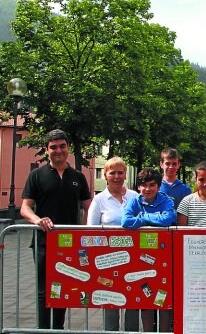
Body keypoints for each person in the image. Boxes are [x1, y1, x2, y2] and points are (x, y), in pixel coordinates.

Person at [20, 129, 91, 329]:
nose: (58, 151)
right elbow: (25, 208)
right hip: (44, 242)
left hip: (69, 243)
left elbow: (89, 208)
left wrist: (89, 231)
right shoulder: (36, 175)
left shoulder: (78, 176)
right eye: (53, 147)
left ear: (68, 148)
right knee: (44, 289)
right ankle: (44, 330)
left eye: (62, 146)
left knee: (65, 286)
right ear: (46, 150)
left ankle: (57, 329)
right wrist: (37, 220)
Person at [87, 157, 140, 331]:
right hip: (107, 259)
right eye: (112, 173)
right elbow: (91, 230)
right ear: (105, 175)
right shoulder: (99, 200)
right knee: (110, 300)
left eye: (120, 172)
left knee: (132, 300)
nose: (116, 176)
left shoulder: (135, 197)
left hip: (133, 257)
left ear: (125, 174)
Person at [121, 168, 176, 332]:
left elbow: (168, 219)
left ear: (158, 186)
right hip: (141, 258)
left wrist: (143, 218)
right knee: (146, 296)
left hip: (165, 256)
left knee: (164, 297)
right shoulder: (134, 201)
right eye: (144, 185)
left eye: (152, 185)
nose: (148, 189)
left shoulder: (167, 200)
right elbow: (125, 221)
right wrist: (152, 220)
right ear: (139, 187)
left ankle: (165, 331)